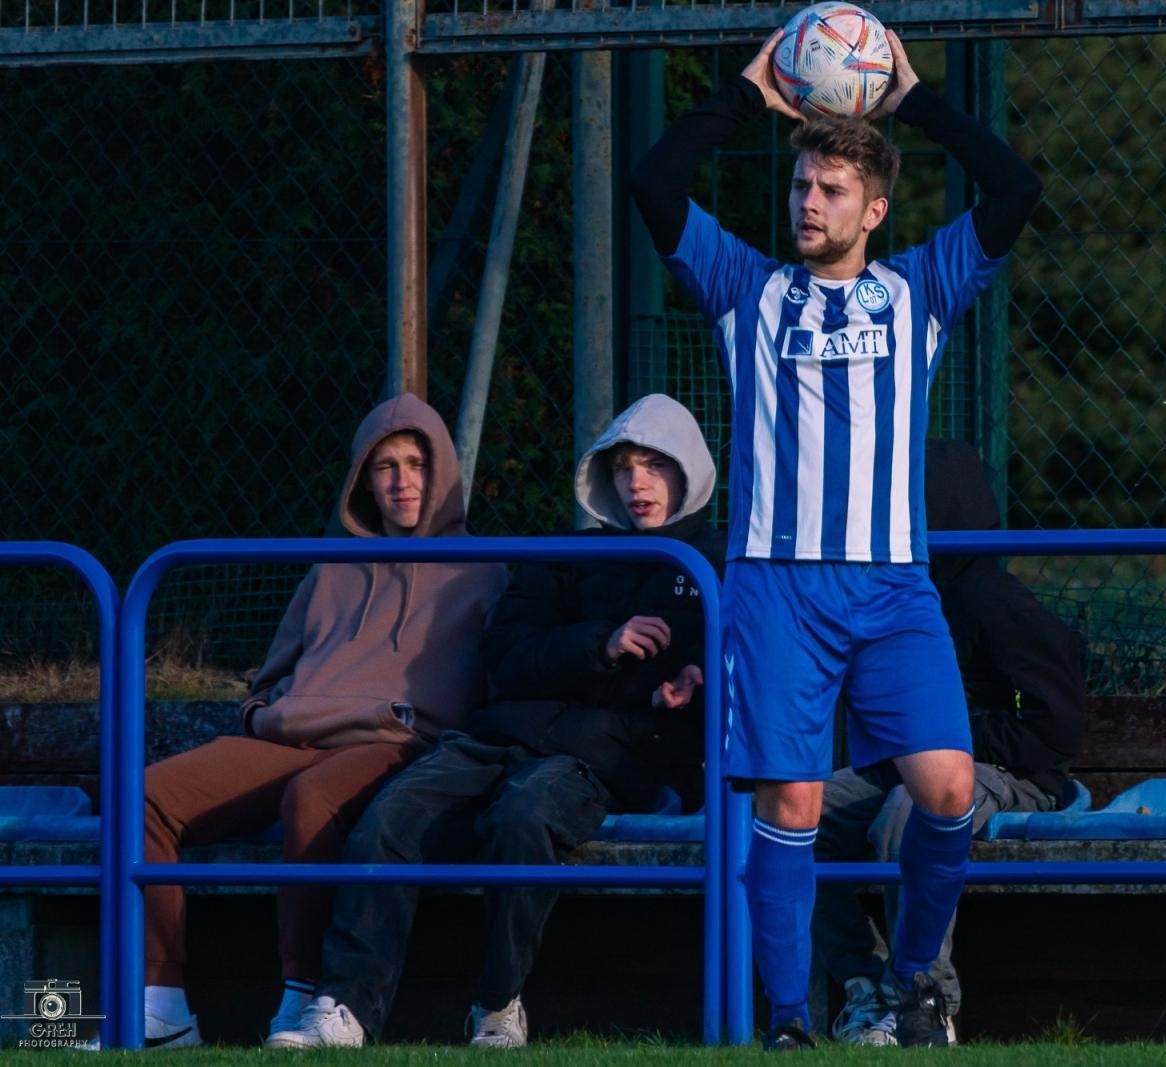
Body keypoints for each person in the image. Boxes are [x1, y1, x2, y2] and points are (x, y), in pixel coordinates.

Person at [630, 25, 1043, 1050]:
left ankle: (914, 985)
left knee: (947, 789)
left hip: (894, 588)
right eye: (801, 184)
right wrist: (745, 92)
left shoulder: (919, 290)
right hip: (777, 588)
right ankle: (787, 1020)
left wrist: (911, 101)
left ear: (875, 210)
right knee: (794, 802)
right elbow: (654, 182)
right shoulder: (745, 289)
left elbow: (1015, 188)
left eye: (830, 189)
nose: (808, 202)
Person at [266, 393, 723, 1049]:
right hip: (499, 735)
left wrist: (690, 686)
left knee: (524, 818)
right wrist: (601, 644)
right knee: (390, 817)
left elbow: (724, 678)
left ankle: (498, 1007)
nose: (636, 483)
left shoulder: (719, 564)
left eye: (655, 466)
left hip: (601, 757)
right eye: (624, 468)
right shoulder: (564, 552)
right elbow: (507, 655)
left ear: (688, 471)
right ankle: (344, 1009)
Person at [129, 393, 507, 1048]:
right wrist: (262, 713)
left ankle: (301, 998)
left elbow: (494, 691)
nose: (402, 481)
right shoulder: (329, 567)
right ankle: (161, 1005)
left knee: (313, 796)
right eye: (384, 466)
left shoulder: (485, 572)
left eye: (416, 463)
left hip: (396, 743)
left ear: (442, 469)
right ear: (363, 480)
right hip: (297, 734)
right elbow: (267, 679)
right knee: (143, 795)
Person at [815, 438, 1087, 1046]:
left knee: (911, 811)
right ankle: (866, 988)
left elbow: (1057, 729)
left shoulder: (995, 601)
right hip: (910, 765)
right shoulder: (892, 600)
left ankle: (924, 998)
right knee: (797, 812)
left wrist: (947, 739)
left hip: (1009, 773)